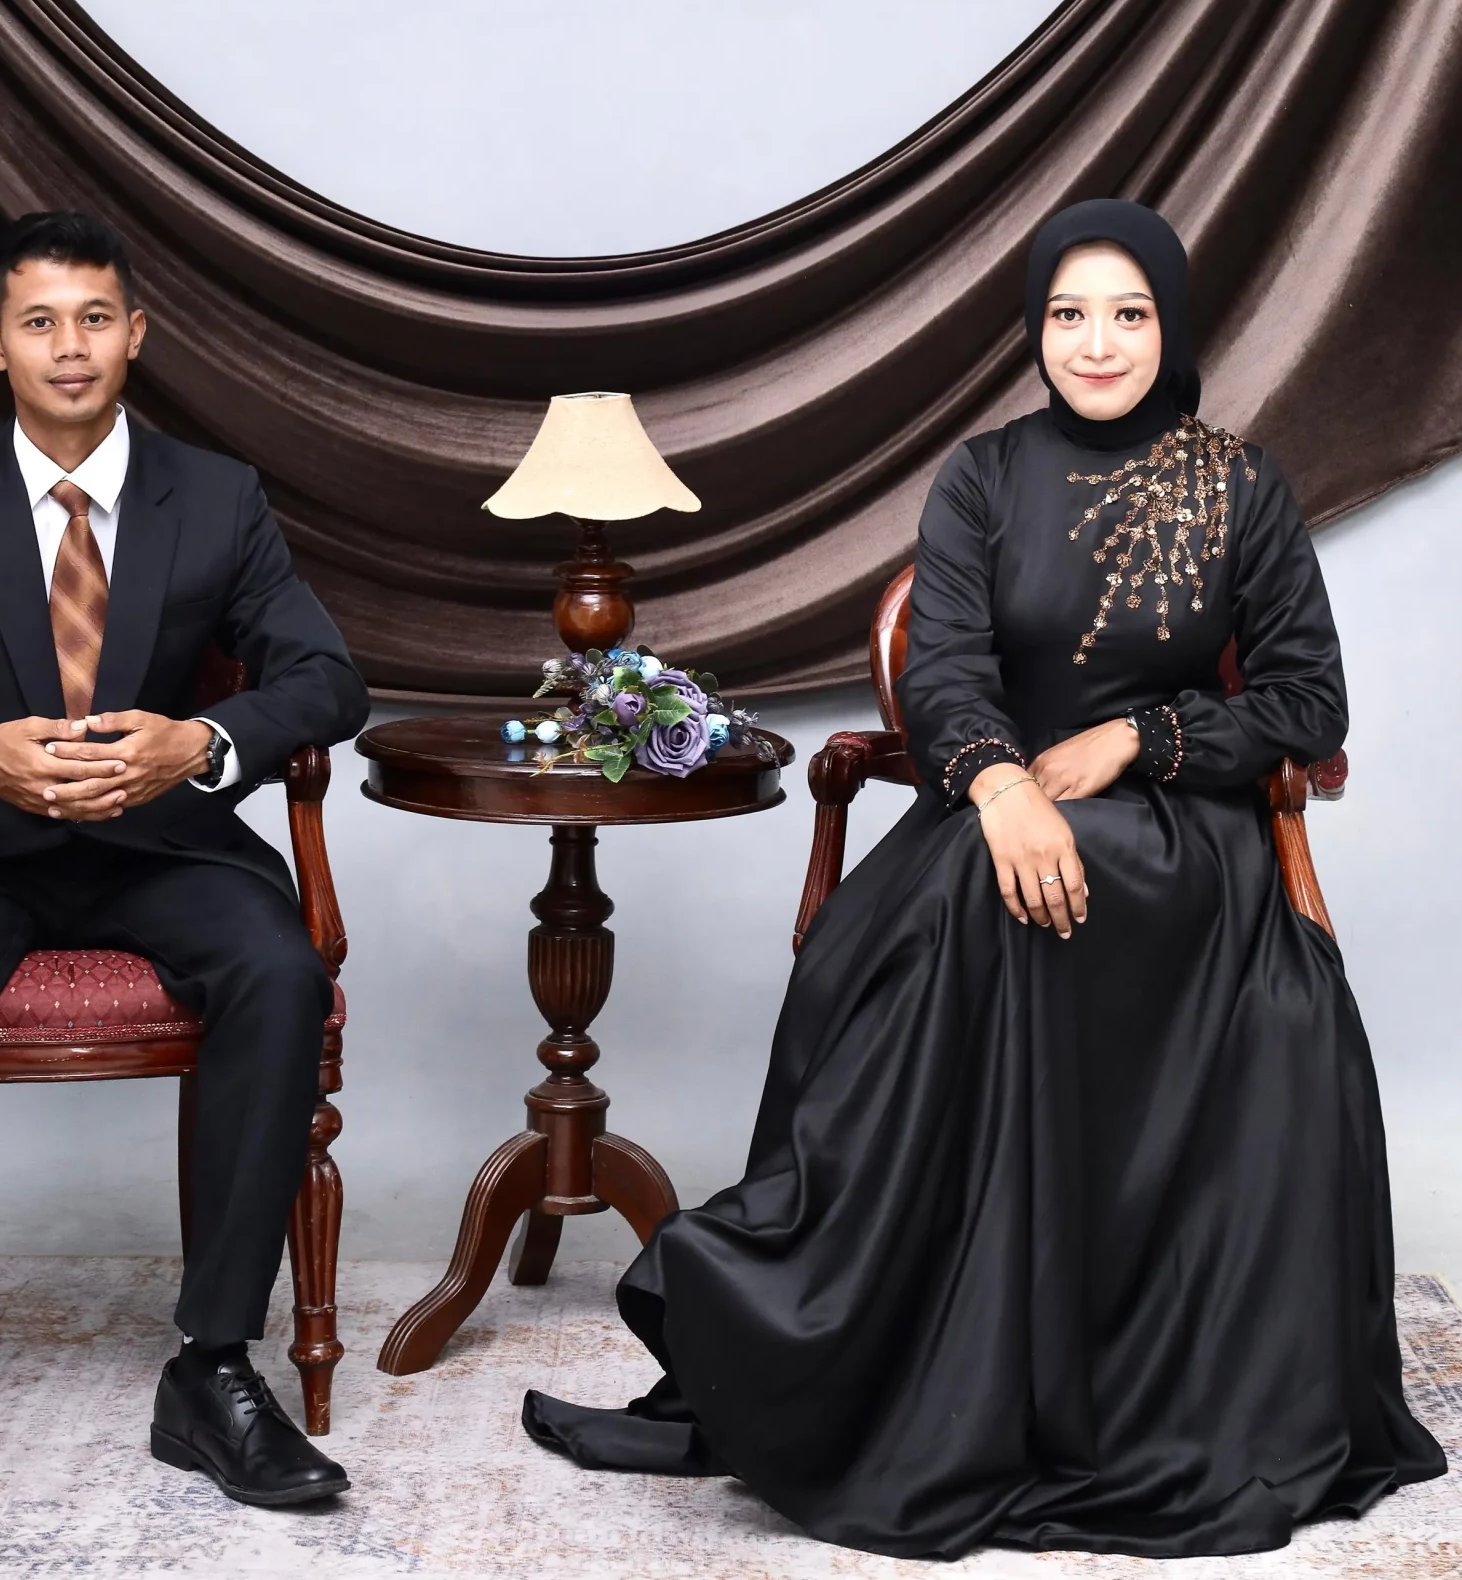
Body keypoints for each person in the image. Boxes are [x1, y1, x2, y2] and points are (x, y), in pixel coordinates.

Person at [523, 198, 1445, 1557]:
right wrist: (1003, 786)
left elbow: (1306, 702)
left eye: (1127, 314)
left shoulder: (1238, 485)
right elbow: (945, 669)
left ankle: (1058, 1381)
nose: (1096, 342)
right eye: (1069, 314)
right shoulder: (982, 478)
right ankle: (832, 1343)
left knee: (1017, 907)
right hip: (986, 809)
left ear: (1171, 327)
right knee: (916, 923)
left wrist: (1139, 738)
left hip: (1183, 840)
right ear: (1036, 328)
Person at [0, 211, 369, 1538]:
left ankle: (213, 1370)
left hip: (165, 846)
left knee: (278, 973)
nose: (71, 346)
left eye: (95, 318)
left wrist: (200, 743)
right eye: (39, 322)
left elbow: (328, 679)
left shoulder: (216, 495)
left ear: (136, 334)